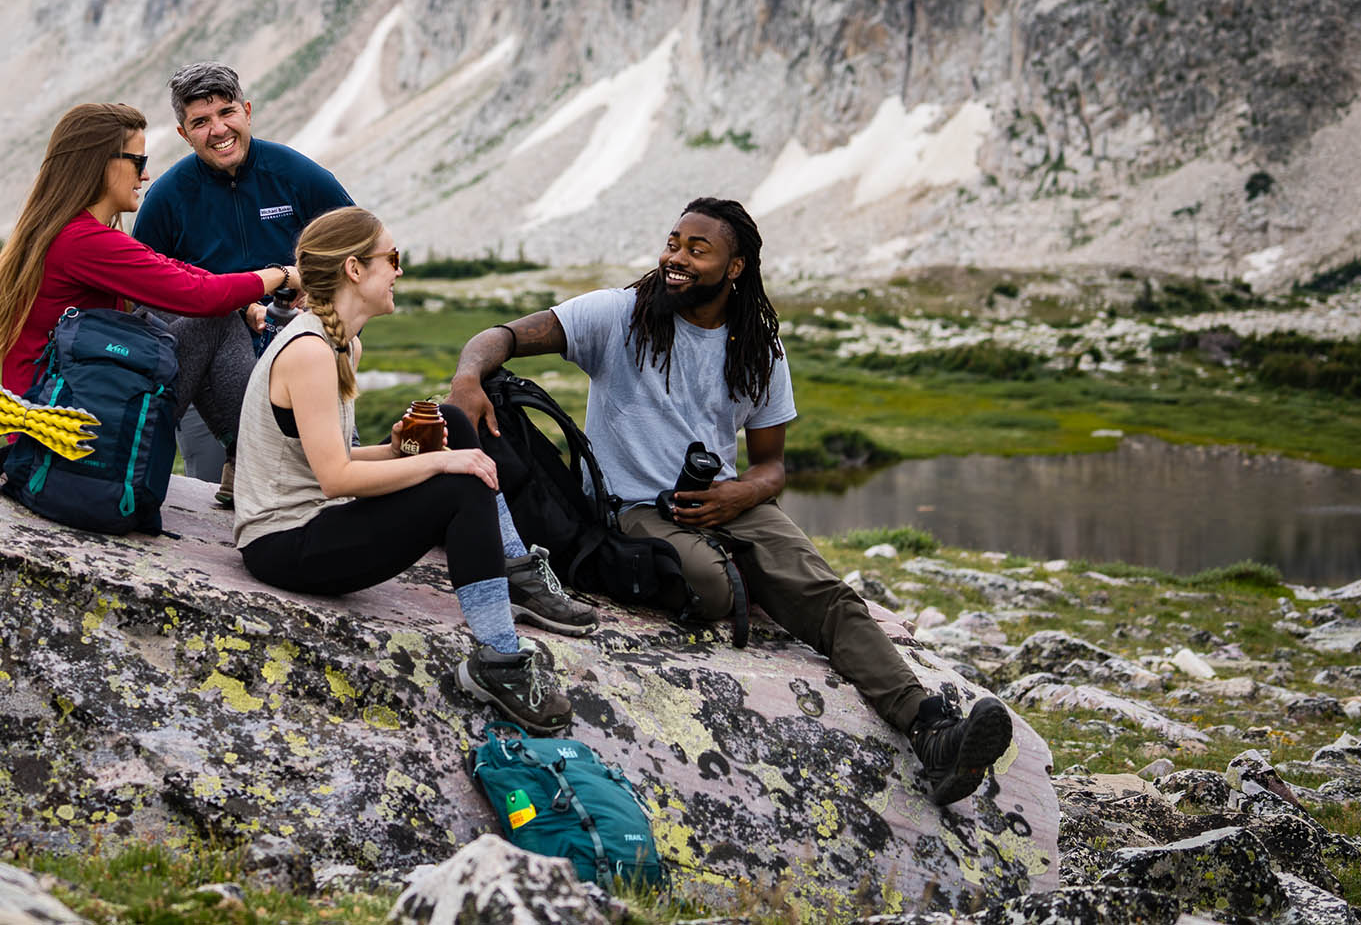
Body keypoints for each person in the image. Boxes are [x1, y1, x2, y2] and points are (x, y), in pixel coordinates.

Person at [447, 197, 1014, 805]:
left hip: (727, 500)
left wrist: (742, 490)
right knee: (714, 588)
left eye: (697, 249)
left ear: (735, 267)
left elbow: (773, 466)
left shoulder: (759, 349)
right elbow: (500, 337)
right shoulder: (619, 314)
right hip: (631, 507)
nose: (676, 258)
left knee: (827, 595)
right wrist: (467, 378)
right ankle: (747, 579)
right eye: (673, 243)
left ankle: (933, 733)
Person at [232, 207, 583, 733]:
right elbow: (336, 480)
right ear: (355, 270)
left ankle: (513, 568)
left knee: (451, 423)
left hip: (316, 520)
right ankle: (499, 659)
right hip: (282, 544)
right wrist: (441, 463)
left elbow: (337, 459)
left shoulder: (342, 341)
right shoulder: (309, 351)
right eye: (391, 259)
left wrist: (404, 451)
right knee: (461, 483)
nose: (398, 271)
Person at [0, 102, 297, 415]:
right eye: (138, 163)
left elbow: (173, 270)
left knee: (162, 310)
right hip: (70, 428)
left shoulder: (66, 232)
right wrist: (282, 275)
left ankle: (241, 455)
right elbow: (201, 298)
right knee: (216, 320)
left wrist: (245, 302)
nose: (145, 176)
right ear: (103, 164)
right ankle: (255, 455)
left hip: (62, 409)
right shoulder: (82, 241)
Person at [133, 63, 355, 507]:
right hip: (205, 385)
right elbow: (144, 299)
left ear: (247, 111)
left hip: (307, 369)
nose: (218, 130)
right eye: (200, 121)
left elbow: (359, 253)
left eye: (227, 112)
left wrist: (327, 308)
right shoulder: (167, 198)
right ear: (183, 133)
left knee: (320, 493)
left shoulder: (297, 175)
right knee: (216, 500)